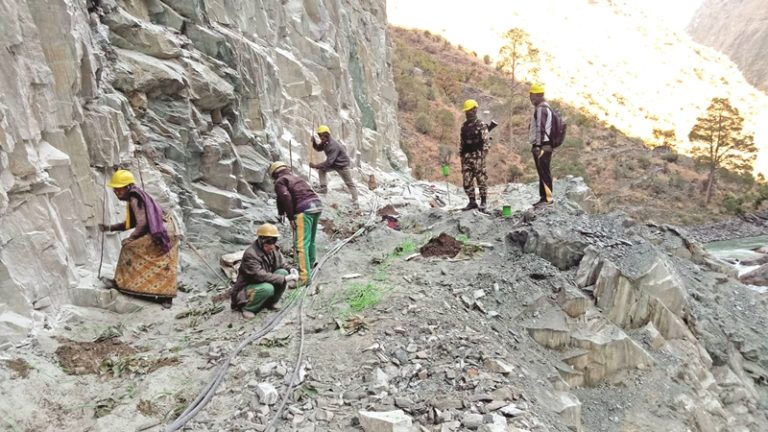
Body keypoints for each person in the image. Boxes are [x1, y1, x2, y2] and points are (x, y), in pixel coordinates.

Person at [98, 169, 179, 307]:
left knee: (128, 248)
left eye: (119, 189)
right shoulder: (136, 196)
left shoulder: (134, 198)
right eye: (115, 189)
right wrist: (109, 227)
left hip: (163, 232)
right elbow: (131, 223)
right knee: (163, 261)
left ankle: (120, 283)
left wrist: (131, 238)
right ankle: (165, 296)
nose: (116, 192)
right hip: (169, 229)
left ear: (128, 187)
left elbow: (142, 223)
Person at [269, 161, 323, 285]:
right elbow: (281, 198)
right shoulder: (296, 178)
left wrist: (291, 217)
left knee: (301, 245)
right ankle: (311, 263)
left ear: (274, 174)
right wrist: (281, 212)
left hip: (304, 210)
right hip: (317, 205)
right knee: (311, 239)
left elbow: (285, 196)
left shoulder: (280, 181)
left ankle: (304, 278)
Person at [230, 223, 300, 319]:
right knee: (268, 288)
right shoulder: (250, 254)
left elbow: (282, 263)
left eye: (274, 240)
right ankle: (248, 308)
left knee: (283, 272)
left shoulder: (273, 248)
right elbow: (260, 275)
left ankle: (271, 302)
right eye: (269, 241)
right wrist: (285, 279)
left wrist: (291, 269)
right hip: (247, 287)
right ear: (261, 240)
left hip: (262, 282)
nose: (272, 245)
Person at [310, 125, 359, 207]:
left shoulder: (332, 145)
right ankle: (323, 188)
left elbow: (329, 162)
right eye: (320, 135)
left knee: (349, 183)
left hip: (342, 165)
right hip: (334, 163)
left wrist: (315, 166)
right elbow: (318, 148)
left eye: (323, 135)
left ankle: (355, 200)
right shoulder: (325, 142)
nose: (321, 137)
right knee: (322, 170)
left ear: (327, 135)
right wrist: (314, 142)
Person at [459, 99, 490, 210]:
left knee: (481, 179)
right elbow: (462, 143)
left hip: (478, 157)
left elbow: (486, 143)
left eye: (470, 110)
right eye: (467, 111)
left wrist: (482, 157)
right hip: (466, 157)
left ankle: (483, 201)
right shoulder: (464, 126)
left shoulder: (481, 125)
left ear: (475, 110)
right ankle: (472, 202)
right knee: (467, 181)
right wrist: (462, 156)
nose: (469, 113)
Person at [529, 83, 554, 208]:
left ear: (538, 95)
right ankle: (543, 197)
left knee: (544, 172)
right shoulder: (545, 107)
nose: (531, 98)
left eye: (532, 95)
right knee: (542, 171)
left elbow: (540, 128)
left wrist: (538, 146)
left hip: (542, 146)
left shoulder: (541, 109)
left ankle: (547, 199)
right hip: (545, 145)